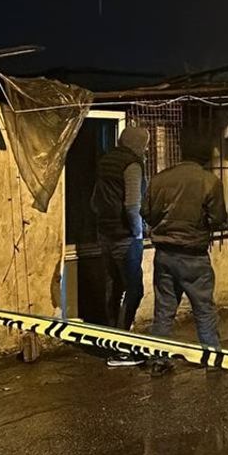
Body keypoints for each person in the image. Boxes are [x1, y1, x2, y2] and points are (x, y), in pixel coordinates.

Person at [144, 135, 227, 373]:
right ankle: (212, 357)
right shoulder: (209, 181)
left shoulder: (159, 179)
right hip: (194, 256)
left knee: (164, 310)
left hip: (165, 255)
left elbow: (145, 212)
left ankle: (159, 360)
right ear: (206, 156)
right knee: (203, 309)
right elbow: (218, 218)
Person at [89, 126, 150, 368]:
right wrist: (138, 232)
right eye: (145, 144)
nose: (146, 149)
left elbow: (95, 200)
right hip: (125, 236)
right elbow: (132, 204)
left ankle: (111, 340)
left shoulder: (106, 161)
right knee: (133, 290)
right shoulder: (131, 165)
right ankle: (122, 349)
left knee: (114, 287)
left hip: (105, 233)